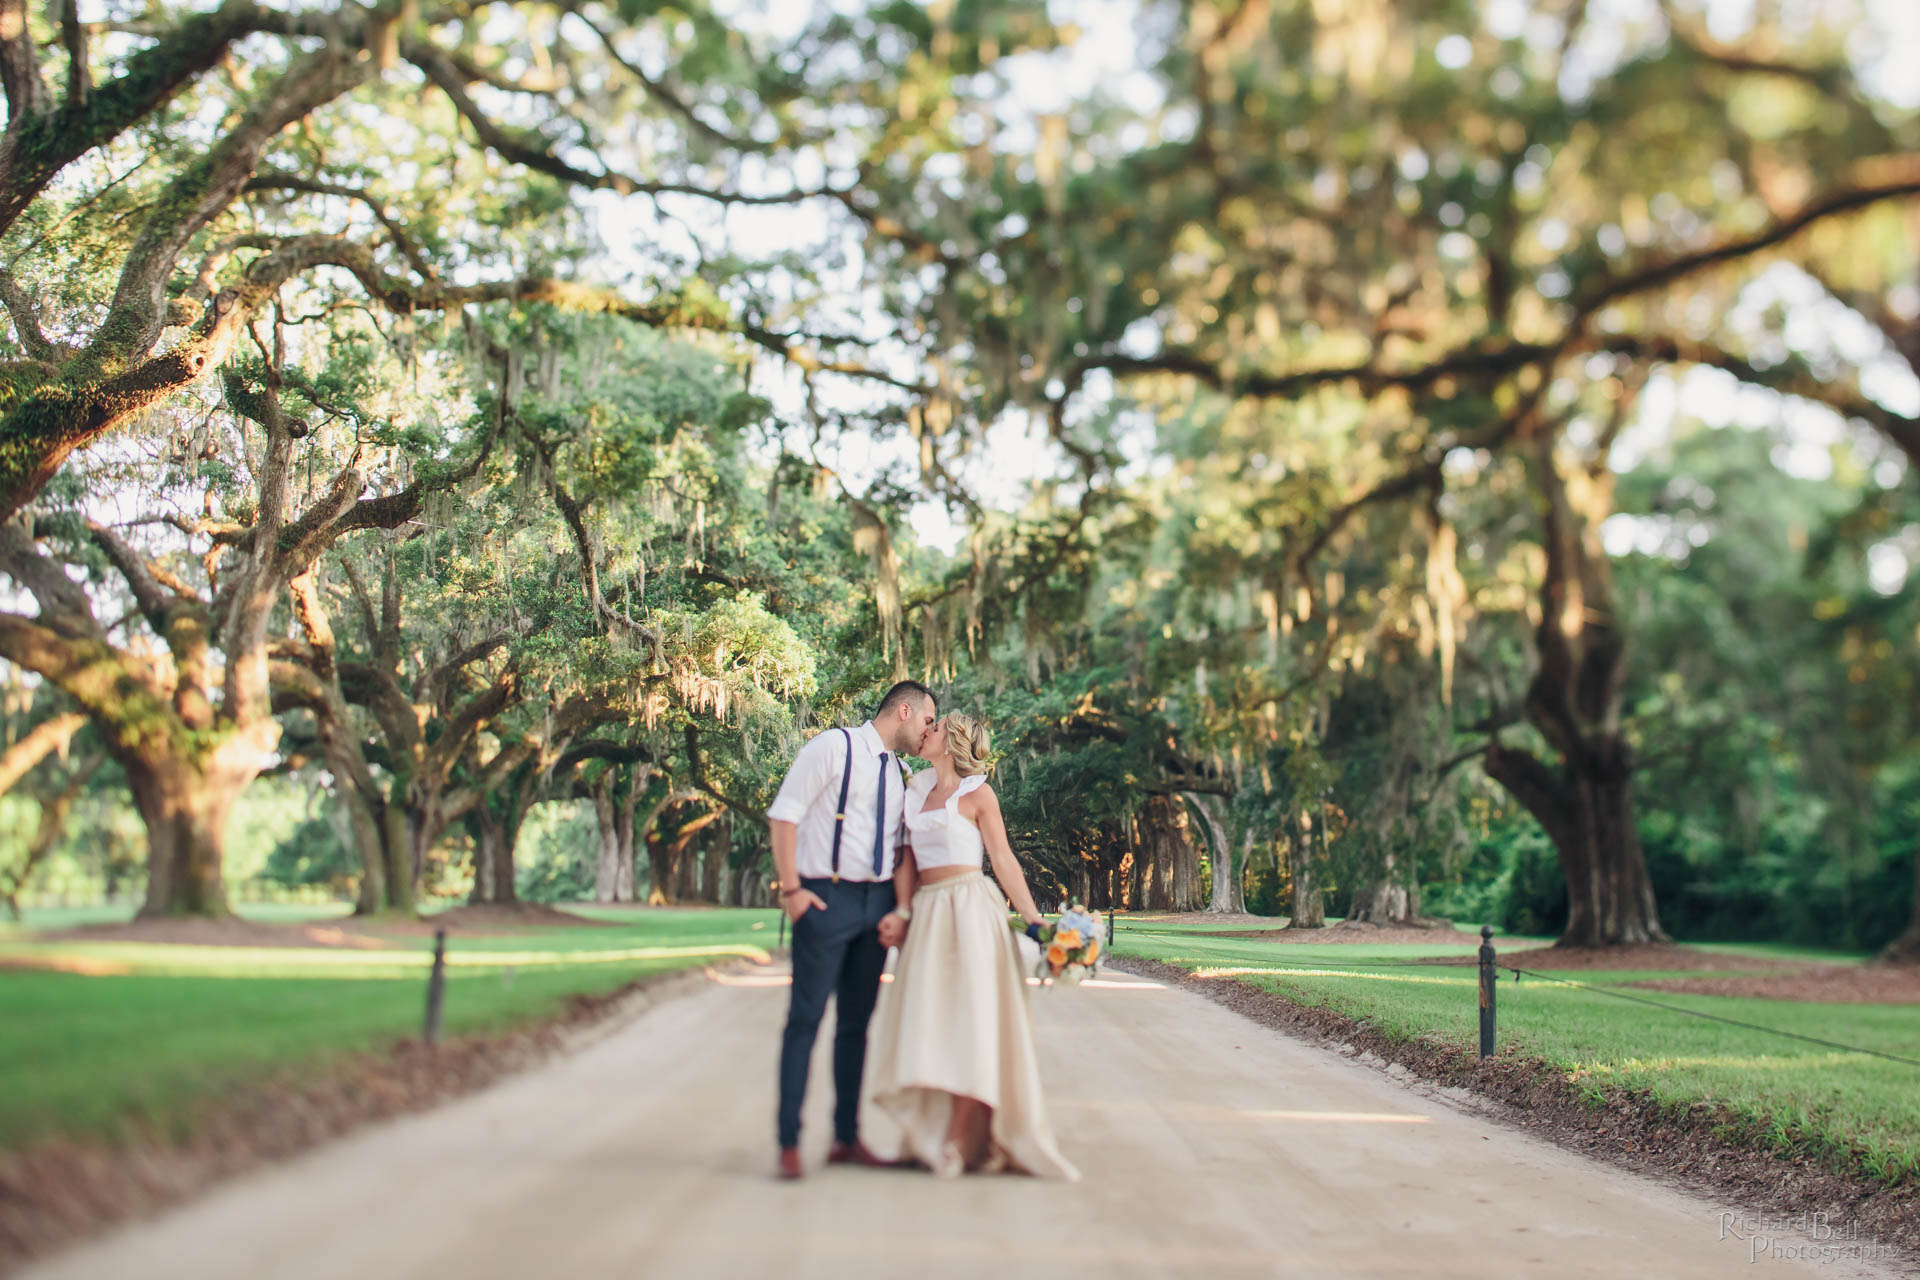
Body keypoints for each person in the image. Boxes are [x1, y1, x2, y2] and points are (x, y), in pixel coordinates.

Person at [864, 712, 1080, 1180]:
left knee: (970, 1024)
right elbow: (904, 857)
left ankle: (957, 1141)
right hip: (927, 916)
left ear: (954, 740)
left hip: (971, 913)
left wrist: (1036, 921)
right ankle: (923, 1134)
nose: (926, 730)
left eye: (935, 727)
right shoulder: (914, 789)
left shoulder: (978, 794)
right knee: (929, 1023)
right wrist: (902, 910)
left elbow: (1002, 861)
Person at [767, 680, 939, 1180]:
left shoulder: (901, 772)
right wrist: (793, 891)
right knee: (806, 1021)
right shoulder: (832, 747)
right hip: (826, 896)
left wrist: (900, 909)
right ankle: (789, 1143)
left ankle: (846, 1137)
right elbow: (784, 816)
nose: (929, 730)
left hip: (876, 906)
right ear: (904, 710)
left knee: (855, 1027)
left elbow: (902, 848)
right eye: (927, 720)